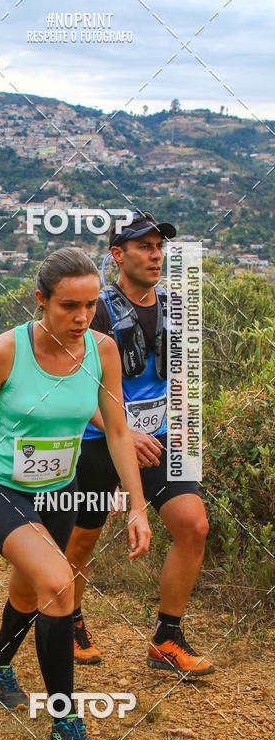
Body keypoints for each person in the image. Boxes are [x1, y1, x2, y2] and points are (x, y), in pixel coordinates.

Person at [0, 249, 150, 740]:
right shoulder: (5, 351)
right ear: (41, 301)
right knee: (60, 583)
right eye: (69, 306)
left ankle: (0, 668)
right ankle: (65, 721)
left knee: (30, 590)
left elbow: (116, 431)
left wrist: (138, 506)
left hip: (58, 492)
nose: (82, 318)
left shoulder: (102, 351)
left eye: (90, 305)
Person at [66, 212, 214, 676]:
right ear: (117, 255)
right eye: (144, 246)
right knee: (83, 540)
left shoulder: (175, 304)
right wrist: (122, 430)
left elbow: (182, 377)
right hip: (97, 438)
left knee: (193, 526)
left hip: (159, 439)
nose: (155, 255)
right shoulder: (98, 311)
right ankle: (68, 620)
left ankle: (167, 639)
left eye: (159, 247)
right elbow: (72, 384)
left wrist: (184, 430)